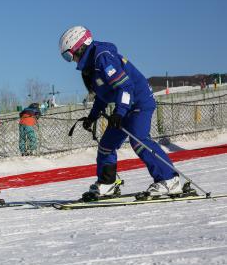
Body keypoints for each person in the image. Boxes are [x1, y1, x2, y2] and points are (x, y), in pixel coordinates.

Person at [59, 25, 182, 198]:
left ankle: (170, 180)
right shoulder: (91, 66)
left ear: (80, 47)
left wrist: (120, 112)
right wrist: (92, 117)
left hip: (139, 101)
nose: (70, 60)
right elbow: (103, 95)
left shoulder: (103, 58)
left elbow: (125, 86)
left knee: (139, 140)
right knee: (106, 146)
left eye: (69, 55)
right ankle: (107, 183)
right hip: (124, 105)